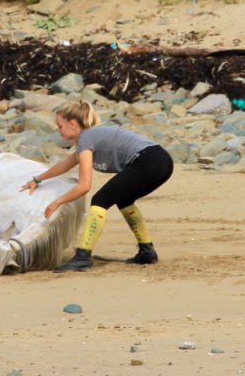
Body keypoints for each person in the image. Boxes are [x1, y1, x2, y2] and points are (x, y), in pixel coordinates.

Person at [18, 100, 173, 271]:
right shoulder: (88, 138)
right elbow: (66, 164)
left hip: (149, 160)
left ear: (72, 123)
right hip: (162, 161)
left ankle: (83, 257)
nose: (57, 129)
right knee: (124, 200)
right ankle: (147, 251)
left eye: (59, 125)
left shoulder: (86, 139)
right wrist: (37, 180)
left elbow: (84, 186)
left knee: (100, 200)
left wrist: (57, 202)